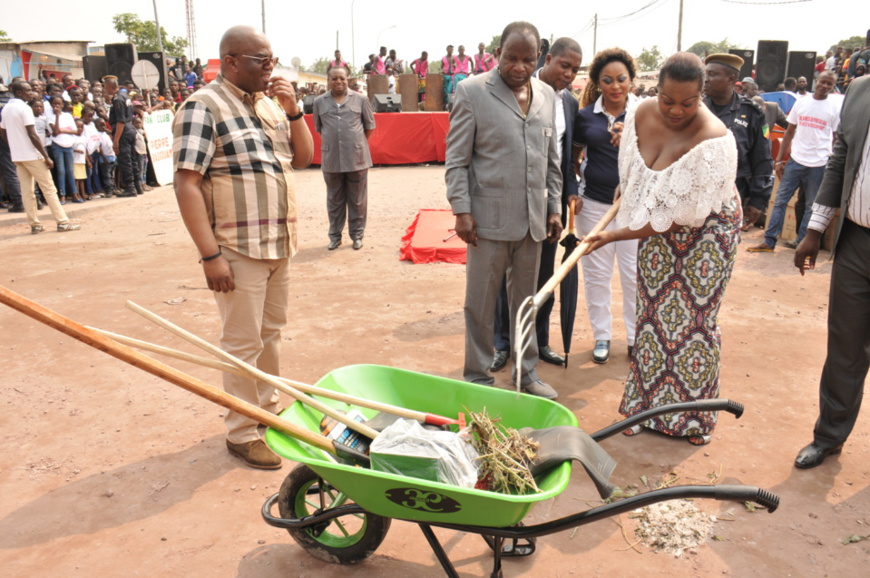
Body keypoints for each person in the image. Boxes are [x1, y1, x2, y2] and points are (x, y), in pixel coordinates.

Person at [173, 25, 313, 469]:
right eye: (261, 60)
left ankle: (265, 414)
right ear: (231, 61)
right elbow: (187, 183)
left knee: (269, 336)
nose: (270, 68)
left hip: (278, 244)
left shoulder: (271, 104)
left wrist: (294, 112)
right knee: (241, 342)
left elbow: (305, 158)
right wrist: (210, 255)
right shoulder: (203, 106)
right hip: (237, 248)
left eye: (272, 59)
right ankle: (240, 431)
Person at [583, 53, 740, 445]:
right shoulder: (640, 113)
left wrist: (614, 235)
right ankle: (643, 408)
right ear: (658, 91)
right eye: (668, 99)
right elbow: (634, 167)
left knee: (694, 325)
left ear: (702, 96)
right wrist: (628, 192)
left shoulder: (715, 139)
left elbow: (678, 215)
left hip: (706, 233)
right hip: (657, 223)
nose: (675, 110)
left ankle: (694, 418)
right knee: (652, 318)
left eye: (688, 102)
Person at [446, 21, 563, 399]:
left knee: (526, 302)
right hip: (486, 222)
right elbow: (457, 160)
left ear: (538, 58)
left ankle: (526, 373)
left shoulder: (549, 95)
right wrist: (461, 210)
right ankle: (478, 377)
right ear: (498, 54)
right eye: (511, 58)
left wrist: (554, 207)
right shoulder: (471, 92)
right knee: (479, 305)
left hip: (533, 223)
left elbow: (552, 161)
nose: (518, 67)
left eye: (527, 59)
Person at [792, 75, 870, 469]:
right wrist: (813, 230)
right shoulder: (859, 91)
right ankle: (829, 437)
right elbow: (839, 160)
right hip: (856, 240)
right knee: (846, 347)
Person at [491, 37, 582, 372]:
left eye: (575, 69)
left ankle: (539, 341)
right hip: (512, 198)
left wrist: (569, 193)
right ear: (547, 59)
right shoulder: (515, 91)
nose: (570, 74)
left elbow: (566, 156)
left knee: (546, 274)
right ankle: (502, 343)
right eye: (564, 66)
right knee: (506, 274)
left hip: (551, 203)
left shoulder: (570, 104)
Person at [571, 47, 640, 365]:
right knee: (597, 276)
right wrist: (575, 189)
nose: (615, 86)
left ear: (631, 80)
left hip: (633, 209)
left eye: (621, 79)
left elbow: (660, 154)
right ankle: (602, 337)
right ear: (598, 83)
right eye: (607, 80)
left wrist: (631, 139)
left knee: (632, 275)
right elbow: (573, 159)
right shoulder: (584, 117)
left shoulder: (646, 113)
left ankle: (635, 338)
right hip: (594, 207)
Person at [747, 71, 841, 252]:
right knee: (781, 200)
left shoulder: (834, 108)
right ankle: (769, 241)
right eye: (823, 82)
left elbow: (836, 138)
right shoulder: (802, 102)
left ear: (832, 86)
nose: (825, 86)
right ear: (817, 81)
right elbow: (789, 131)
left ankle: (802, 242)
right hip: (795, 161)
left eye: (830, 84)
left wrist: (830, 160)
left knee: (810, 206)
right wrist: (780, 159)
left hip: (819, 164)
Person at [703, 53, 773, 232]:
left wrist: (758, 200)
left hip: (734, 193)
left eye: (712, 74)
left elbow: (762, 157)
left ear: (731, 78)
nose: (706, 79)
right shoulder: (697, 108)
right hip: (699, 191)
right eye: (705, 74)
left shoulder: (752, 112)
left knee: (724, 247)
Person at [0, 80, 79, 233]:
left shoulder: (6, 109)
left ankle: (35, 224)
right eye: (27, 90)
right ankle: (62, 221)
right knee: (49, 188)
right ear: (19, 92)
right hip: (32, 154)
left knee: (27, 191)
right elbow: (32, 134)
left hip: (18, 156)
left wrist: (13, 145)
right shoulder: (24, 109)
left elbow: (2, 131)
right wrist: (45, 156)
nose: (30, 92)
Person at [313, 66, 375, 251]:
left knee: (357, 200)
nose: (338, 82)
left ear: (348, 80)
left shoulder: (361, 99)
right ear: (328, 81)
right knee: (334, 199)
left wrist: (356, 143)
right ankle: (335, 236)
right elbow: (319, 128)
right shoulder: (319, 102)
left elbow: (369, 126)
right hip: (331, 158)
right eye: (334, 79)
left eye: (342, 78)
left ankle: (357, 236)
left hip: (357, 158)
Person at [104, 75, 141, 197]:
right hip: (130, 129)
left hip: (123, 131)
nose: (105, 89)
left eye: (105, 86)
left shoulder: (117, 99)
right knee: (132, 159)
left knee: (125, 160)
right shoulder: (125, 96)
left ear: (110, 86)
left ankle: (131, 187)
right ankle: (138, 185)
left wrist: (116, 141)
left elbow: (120, 121)